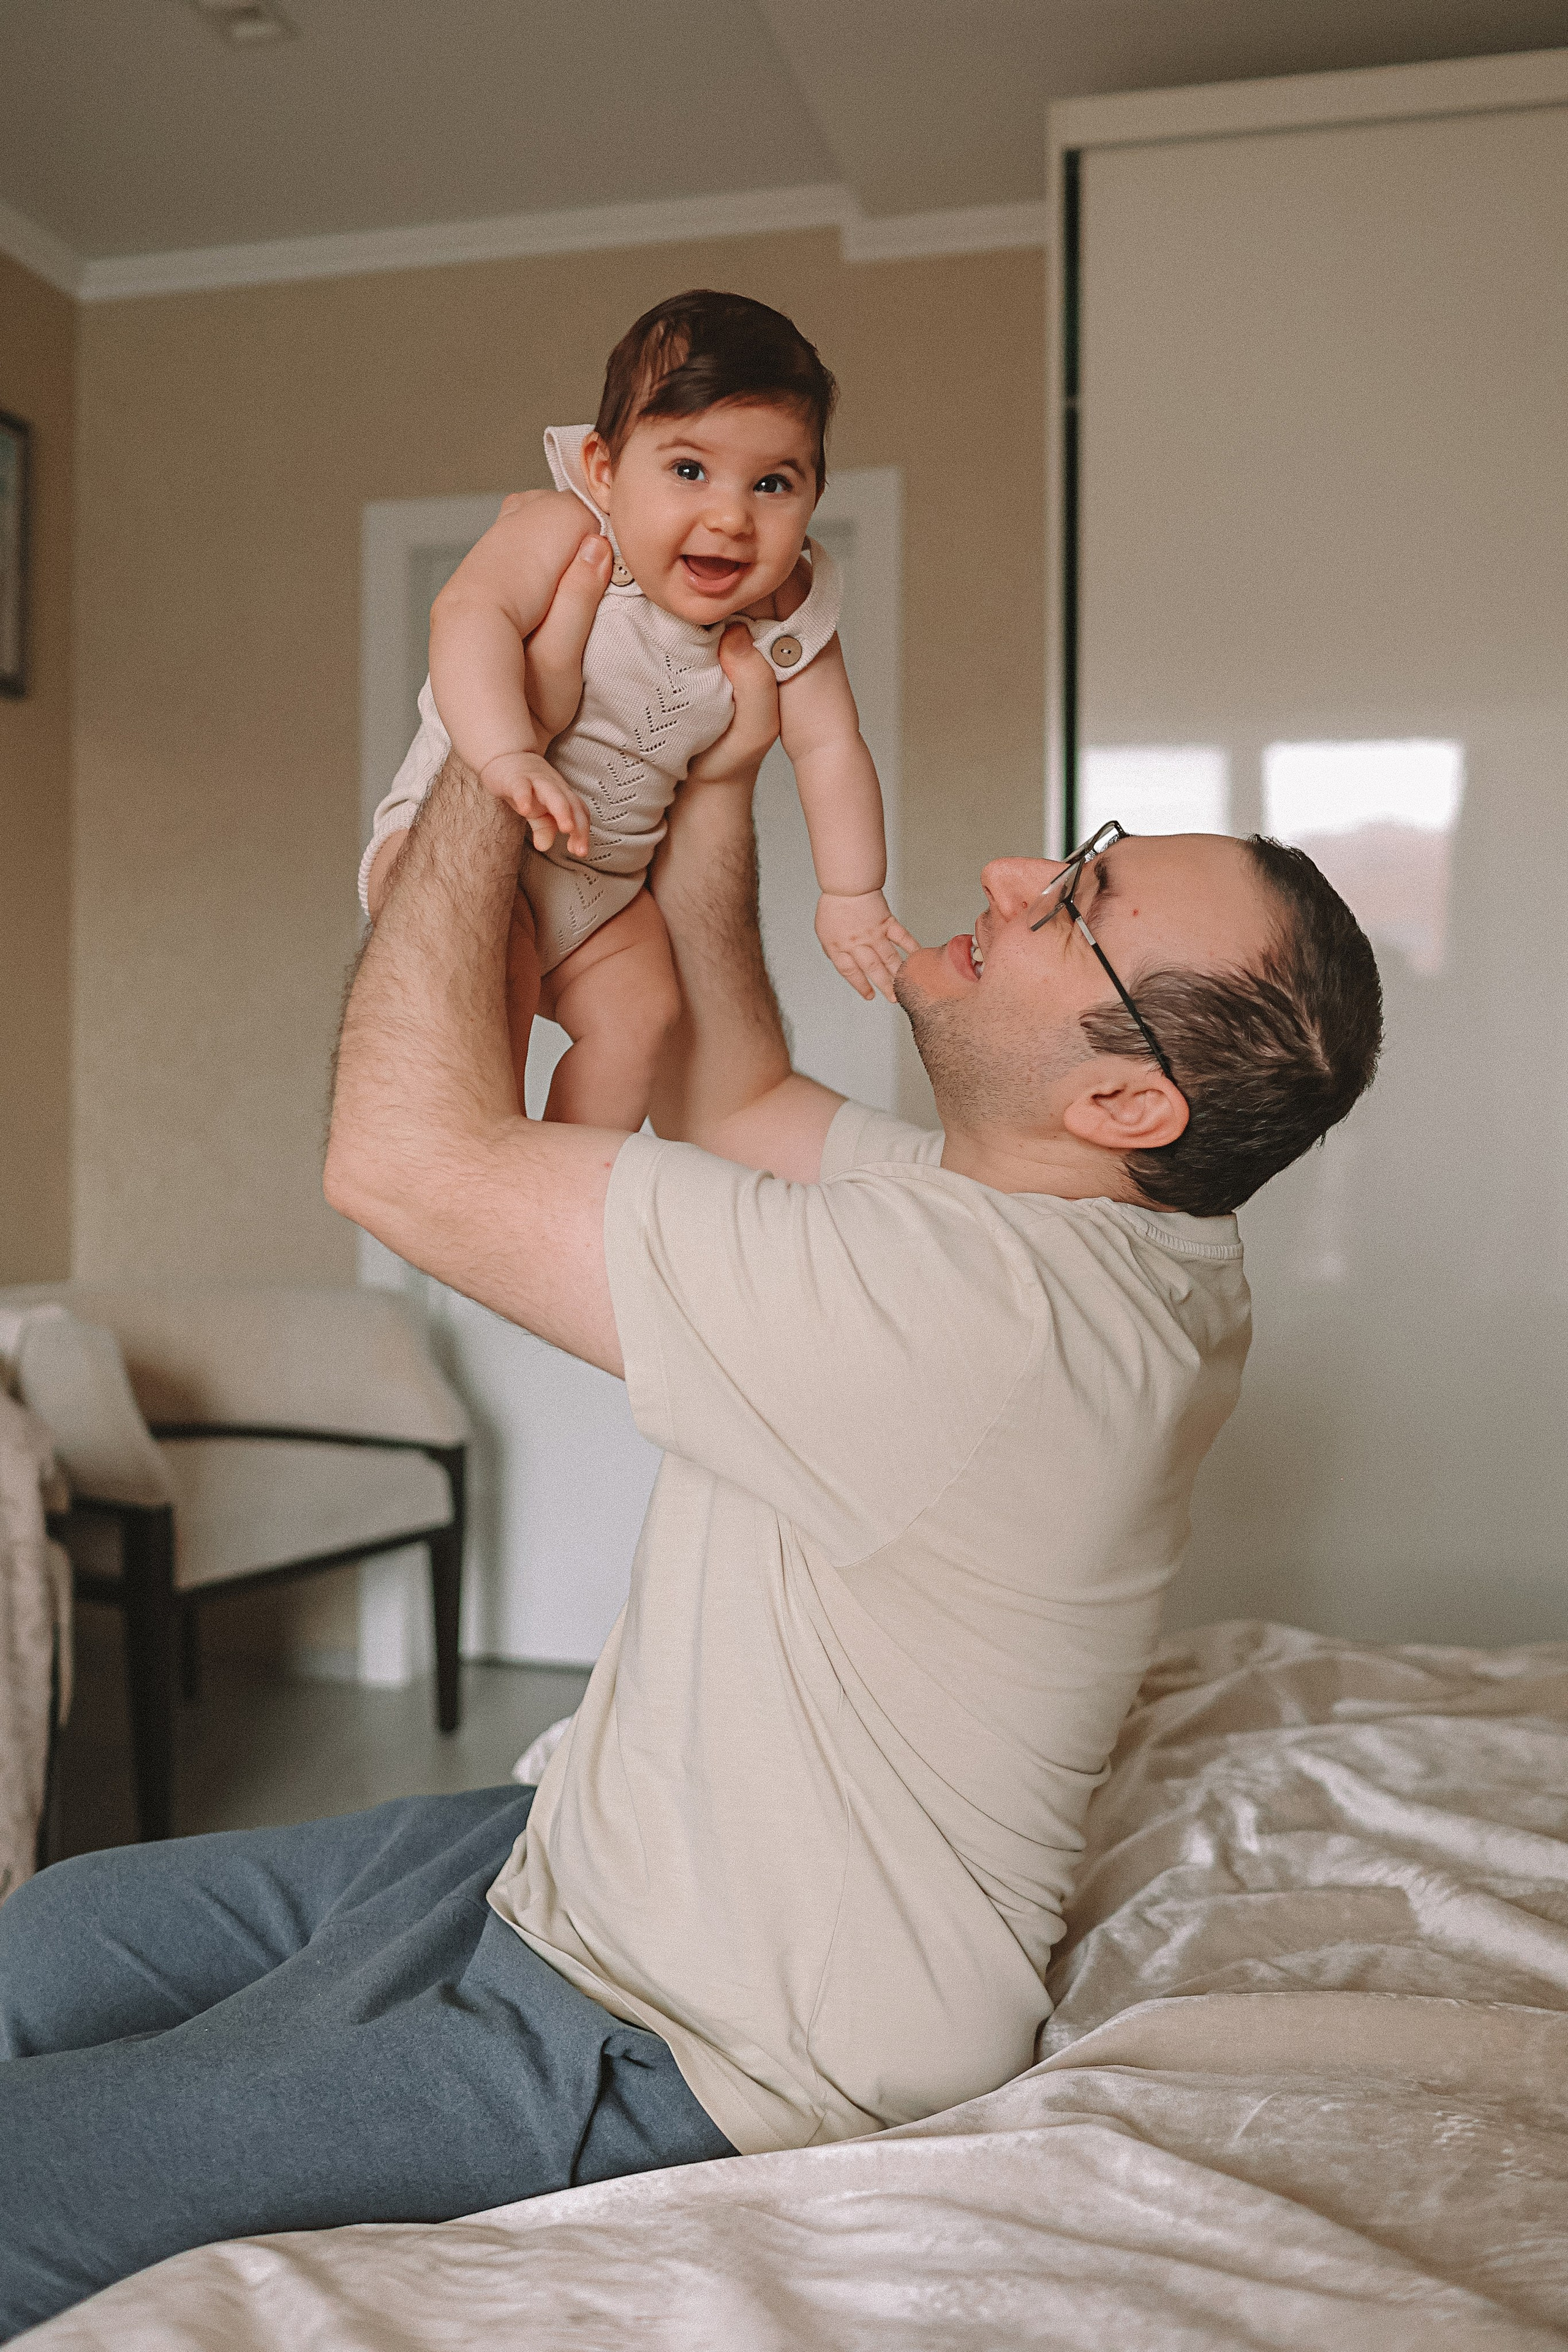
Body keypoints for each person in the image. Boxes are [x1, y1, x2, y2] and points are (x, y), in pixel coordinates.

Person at [0, 624, 1381, 2337]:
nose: (1019, 873)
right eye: (1086, 854)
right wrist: (724, 784)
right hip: (578, 1850)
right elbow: (737, 1095)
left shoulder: (987, 1325)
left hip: (678, 2030)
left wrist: (484, 746)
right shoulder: (1111, 1229)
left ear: (1122, 1095)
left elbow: (397, 1158)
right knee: (57, 1940)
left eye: (1078, 911)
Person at [360, 288, 914, 1128]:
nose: (730, 517)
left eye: (771, 483)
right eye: (689, 470)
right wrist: (509, 754)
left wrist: (853, 890)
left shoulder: (787, 612)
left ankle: (571, 1184)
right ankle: (484, 1153)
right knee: (488, 968)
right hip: (464, 850)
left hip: (605, 887)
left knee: (643, 1018)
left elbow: (831, 746)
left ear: (813, 498)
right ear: (605, 472)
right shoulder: (564, 533)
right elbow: (468, 614)